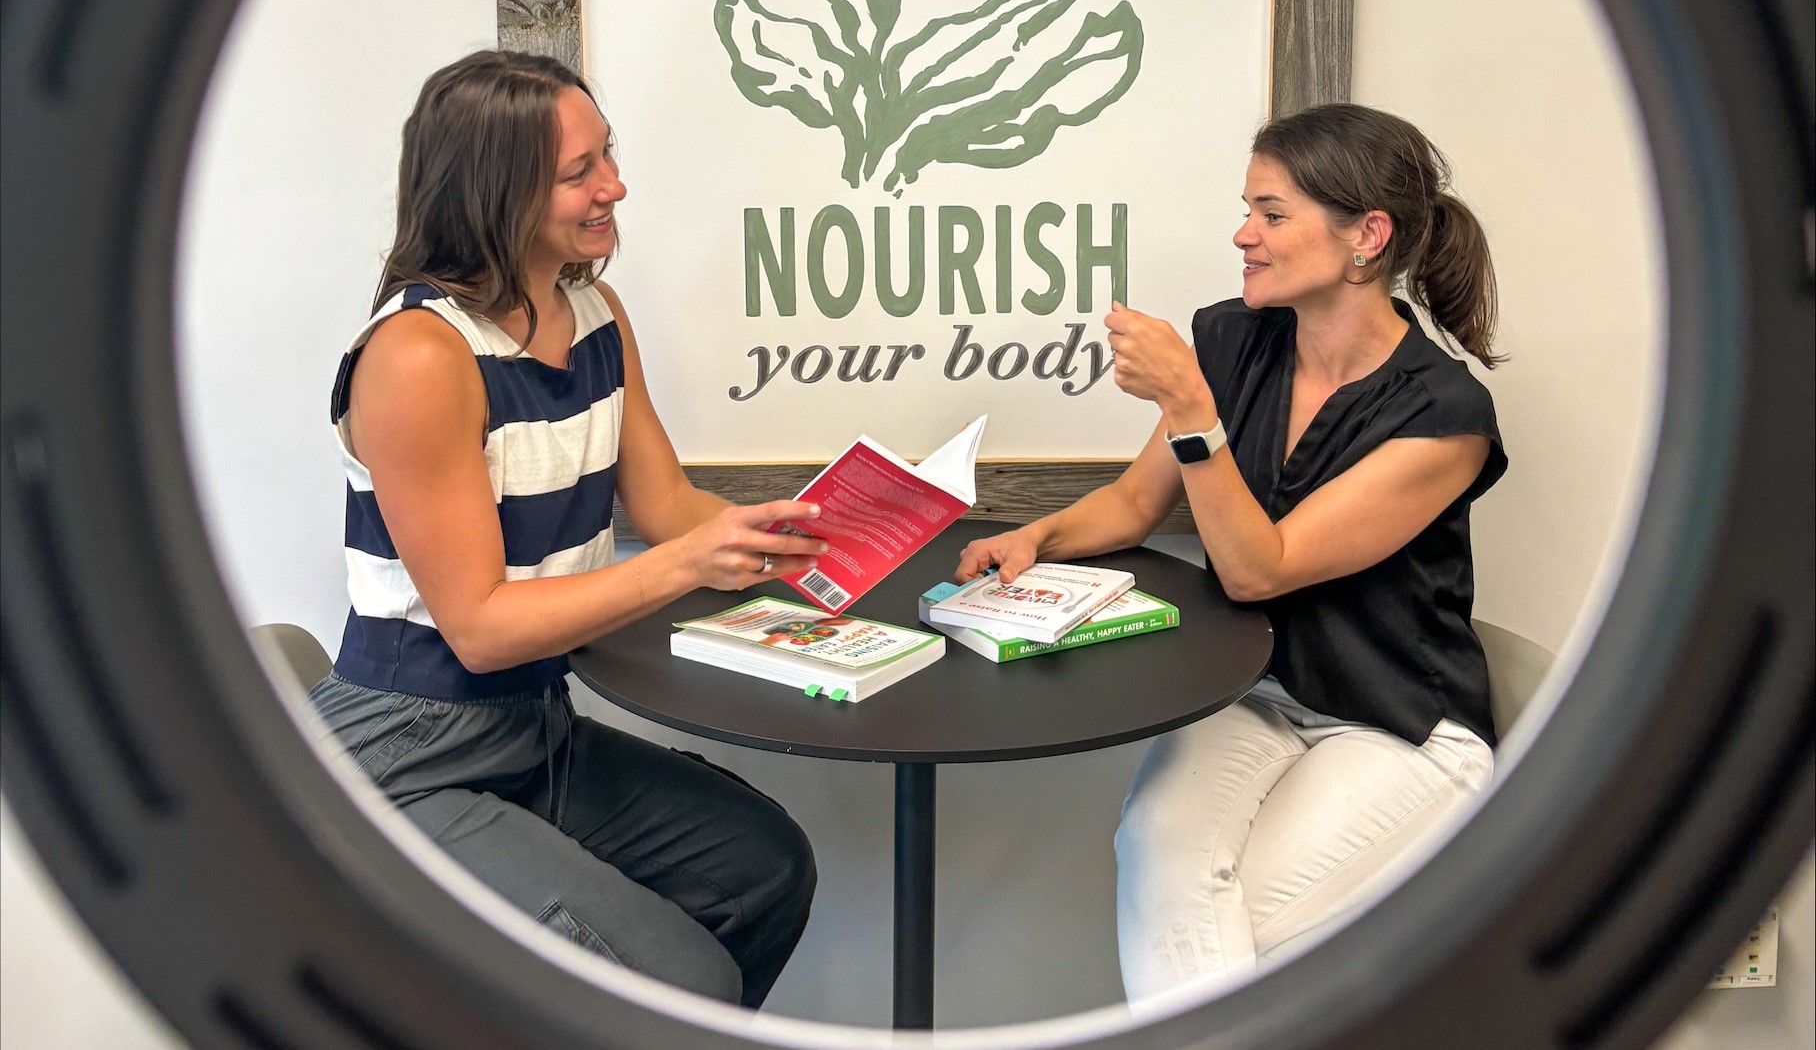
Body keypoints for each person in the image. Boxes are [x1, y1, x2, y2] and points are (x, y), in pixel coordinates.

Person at [307, 50, 826, 1008]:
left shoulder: (592, 311)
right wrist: (681, 564)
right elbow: (482, 625)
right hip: (406, 757)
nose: (614, 186)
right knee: (686, 978)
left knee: (762, 868)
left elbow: (668, 506)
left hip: (537, 730)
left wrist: (821, 536)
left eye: (608, 156)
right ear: (493, 190)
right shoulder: (418, 355)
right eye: (580, 171)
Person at [956, 102, 1507, 1000]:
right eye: (1247, 208)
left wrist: (1190, 411)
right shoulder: (1234, 338)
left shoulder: (1444, 415)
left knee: (1235, 934)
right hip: (1255, 694)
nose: (1243, 234)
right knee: (1157, 861)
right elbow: (1137, 503)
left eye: (1273, 213)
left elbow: (1261, 566)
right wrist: (1036, 535)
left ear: (1367, 236)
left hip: (1400, 723)